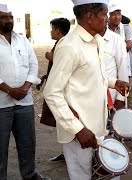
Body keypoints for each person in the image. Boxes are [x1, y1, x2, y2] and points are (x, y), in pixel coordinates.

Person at [43, 1, 130, 179]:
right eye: (104, 15)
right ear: (90, 17)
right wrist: (78, 129)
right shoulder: (69, 46)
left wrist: (114, 82)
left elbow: (90, 76)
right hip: (79, 133)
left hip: (98, 125)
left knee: (106, 173)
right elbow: (52, 92)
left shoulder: (95, 41)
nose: (107, 19)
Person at [0, 4, 49, 180]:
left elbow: (33, 64)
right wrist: (9, 90)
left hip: (24, 102)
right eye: (4, 17)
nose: (9, 20)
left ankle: (30, 175)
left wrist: (25, 87)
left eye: (11, 17)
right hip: (1, 105)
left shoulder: (22, 40)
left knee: (27, 143)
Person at [107, 2, 132, 155]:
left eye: (119, 13)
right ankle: (115, 140)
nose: (117, 16)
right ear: (107, 16)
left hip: (128, 74)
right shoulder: (103, 30)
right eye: (113, 14)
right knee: (110, 108)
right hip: (111, 75)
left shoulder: (127, 28)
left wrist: (111, 47)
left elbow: (128, 46)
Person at [36, 17, 71, 163]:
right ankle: (64, 152)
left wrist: (51, 56)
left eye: (52, 29)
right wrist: (45, 76)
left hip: (62, 92)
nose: (50, 32)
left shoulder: (66, 45)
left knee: (64, 123)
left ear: (57, 30)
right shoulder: (60, 43)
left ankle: (68, 154)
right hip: (57, 87)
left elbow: (64, 64)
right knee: (61, 124)